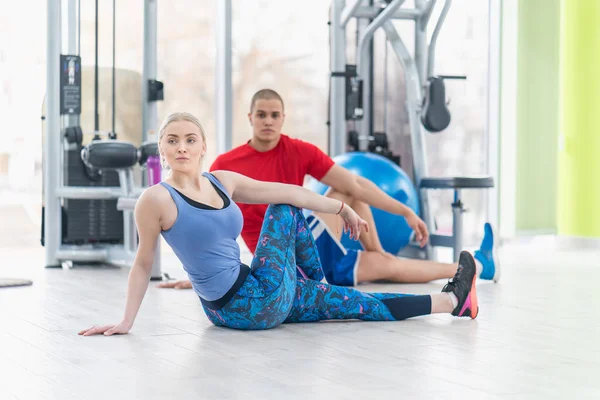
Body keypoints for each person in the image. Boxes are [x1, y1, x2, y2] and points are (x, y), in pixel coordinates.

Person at [79, 112, 479, 335]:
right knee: (284, 209)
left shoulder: (224, 181)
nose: (181, 146)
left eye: (189, 139)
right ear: (162, 150)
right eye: (171, 140)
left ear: (203, 147)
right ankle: (318, 285)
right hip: (242, 304)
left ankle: (450, 302)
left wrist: (342, 209)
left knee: (361, 304)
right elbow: (143, 263)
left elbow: (290, 189)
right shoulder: (155, 200)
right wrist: (126, 321)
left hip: (254, 295)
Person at [158, 89, 499, 290]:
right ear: (250, 117)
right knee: (389, 267)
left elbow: (355, 184)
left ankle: (390, 256)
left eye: (274, 115)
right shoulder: (228, 164)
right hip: (277, 258)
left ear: (283, 118)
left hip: (305, 241)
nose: (268, 121)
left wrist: (406, 211)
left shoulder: (299, 150)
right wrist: (203, 275)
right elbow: (212, 226)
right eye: (261, 114)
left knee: (347, 195)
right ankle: (475, 266)